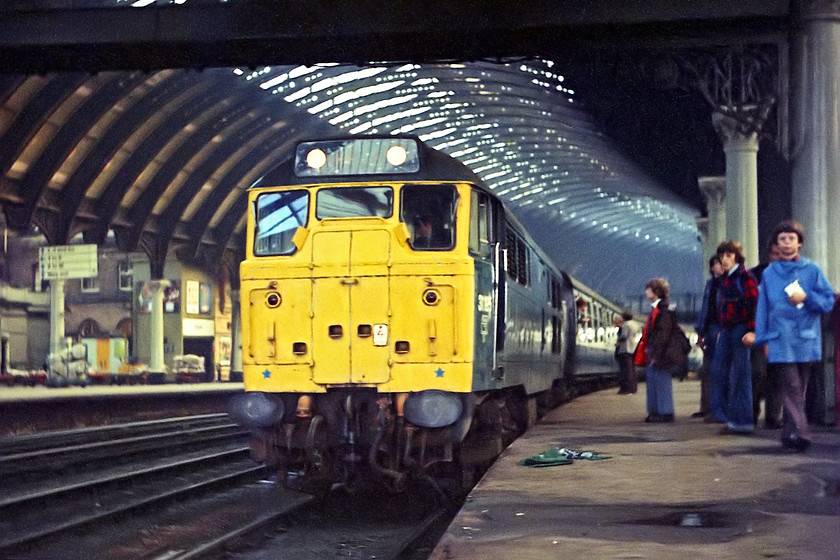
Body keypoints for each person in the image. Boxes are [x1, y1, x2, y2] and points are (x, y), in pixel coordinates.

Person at [753, 220, 835, 452]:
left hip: (806, 338)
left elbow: (827, 301)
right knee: (791, 386)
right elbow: (763, 308)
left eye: (791, 239)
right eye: (782, 239)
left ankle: (790, 434)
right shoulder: (769, 273)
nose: (787, 243)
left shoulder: (812, 270)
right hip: (780, 338)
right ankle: (802, 432)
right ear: (776, 245)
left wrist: (806, 297)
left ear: (799, 243)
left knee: (799, 388)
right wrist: (763, 339)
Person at [708, 240, 759, 435]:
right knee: (721, 372)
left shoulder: (745, 277)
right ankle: (732, 418)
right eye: (722, 256)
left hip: (740, 329)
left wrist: (752, 330)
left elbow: (754, 304)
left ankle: (742, 422)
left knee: (740, 375)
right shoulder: (727, 279)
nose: (724, 259)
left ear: (737, 257)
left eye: (729, 255)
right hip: (728, 330)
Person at [634, 278, 684, 422]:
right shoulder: (657, 308)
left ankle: (665, 412)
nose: (646, 292)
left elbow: (663, 333)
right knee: (653, 381)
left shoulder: (664, 309)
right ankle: (655, 411)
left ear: (656, 291)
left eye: (648, 289)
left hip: (660, 351)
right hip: (654, 349)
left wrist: (656, 353)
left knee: (661, 380)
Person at [749, 241, 782, 429]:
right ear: (769, 254)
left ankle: (773, 416)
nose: (778, 257)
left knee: (776, 375)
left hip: (779, 332)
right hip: (759, 331)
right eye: (775, 253)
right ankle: (752, 413)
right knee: (758, 374)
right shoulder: (755, 275)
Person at [692, 255, 723, 418]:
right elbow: (705, 309)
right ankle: (707, 407)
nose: (720, 266)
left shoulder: (728, 283)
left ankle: (718, 408)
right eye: (716, 263)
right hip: (710, 329)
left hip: (721, 328)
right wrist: (700, 331)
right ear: (711, 267)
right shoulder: (710, 285)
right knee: (707, 370)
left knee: (719, 369)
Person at [615, 310, 640, 394]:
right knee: (632, 370)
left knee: (626, 371)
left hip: (625, 349)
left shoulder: (626, 324)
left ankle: (626, 389)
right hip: (633, 348)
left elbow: (624, 336)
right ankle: (633, 388)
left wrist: (618, 341)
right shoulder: (635, 324)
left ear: (624, 317)